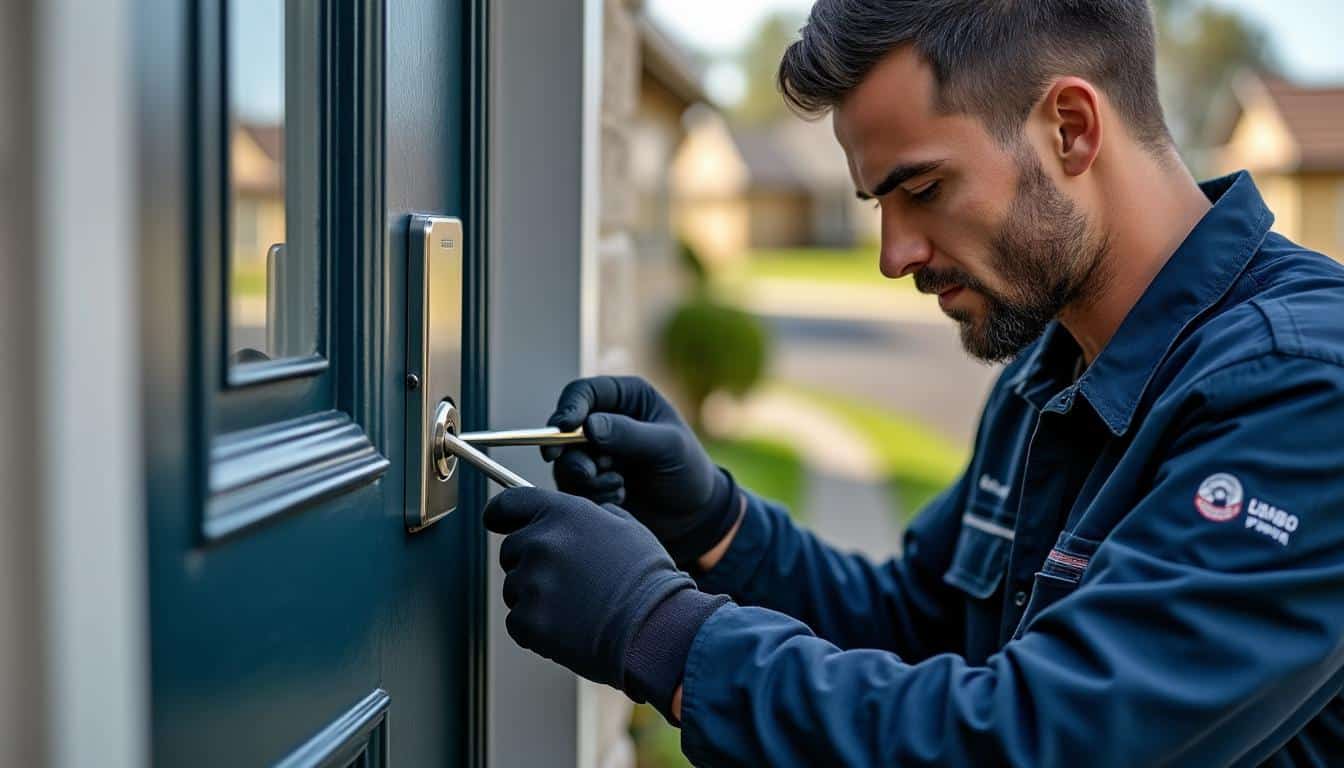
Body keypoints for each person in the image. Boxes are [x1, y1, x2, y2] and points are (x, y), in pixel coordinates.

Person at [482, 1, 1344, 764]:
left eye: (924, 188)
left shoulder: (1301, 390)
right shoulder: (1050, 367)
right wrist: (712, 521)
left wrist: (661, 632)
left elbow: (1038, 739)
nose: (895, 256)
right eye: (879, 206)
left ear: (1072, 129)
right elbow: (914, 627)